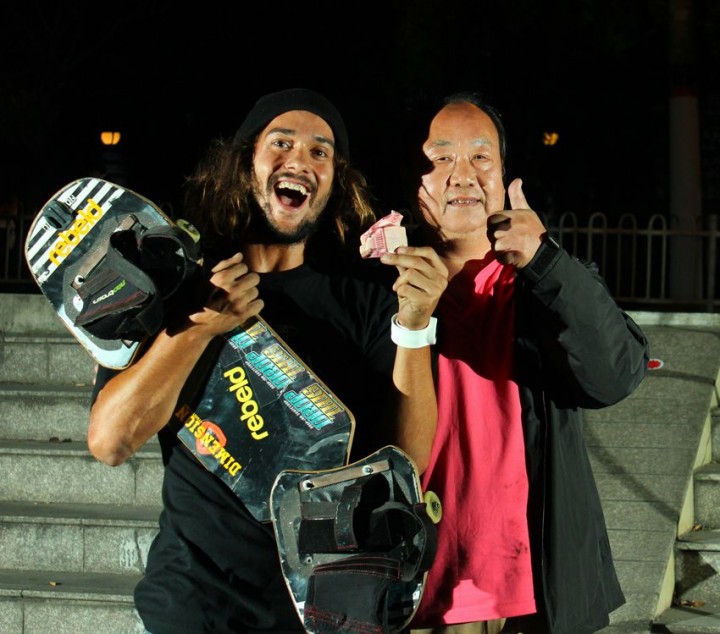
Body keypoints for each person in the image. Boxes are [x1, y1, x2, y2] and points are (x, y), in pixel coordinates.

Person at [87, 87, 448, 634]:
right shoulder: (180, 288)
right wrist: (200, 328)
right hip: (189, 607)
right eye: (281, 142)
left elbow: (407, 461)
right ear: (244, 163)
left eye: (320, 152)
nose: (300, 159)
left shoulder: (367, 305)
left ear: (335, 183)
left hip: (315, 614)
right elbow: (110, 440)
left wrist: (416, 327)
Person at [381, 92, 650, 634]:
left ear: (505, 178)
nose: (462, 174)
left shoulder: (545, 283)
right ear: (416, 182)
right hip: (414, 596)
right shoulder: (378, 287)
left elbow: (615, 375)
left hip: (530, 601)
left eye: (482, 157)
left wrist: (546, 261)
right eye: (441, 158)